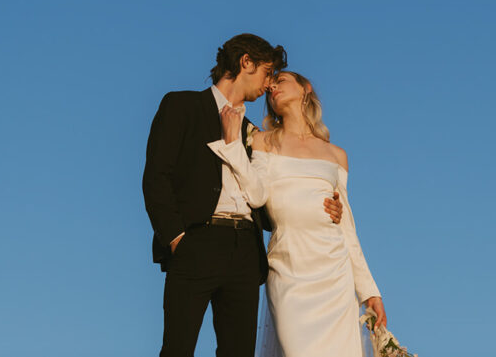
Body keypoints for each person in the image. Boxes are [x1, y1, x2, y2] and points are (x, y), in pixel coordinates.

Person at [142, 34, 343, 357]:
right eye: (267, 72)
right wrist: (177, 238)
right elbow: (156, 177)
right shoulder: (182, 105)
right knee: (177, 349)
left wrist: (327, 208)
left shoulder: (259, 137)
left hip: (246, 254)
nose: (268, 84)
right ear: (245, 62)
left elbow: (276, 192)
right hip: (195, 242)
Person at [208, 70, 387, 356]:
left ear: (305, 88)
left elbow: (347, 229)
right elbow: (256, 195)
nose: (273, 88)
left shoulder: (336, 154)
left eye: (281, 81)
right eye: (270, 87)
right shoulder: (263, 141)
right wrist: (233, 145)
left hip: (334, 272)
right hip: (288, 269)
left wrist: (369, 292)